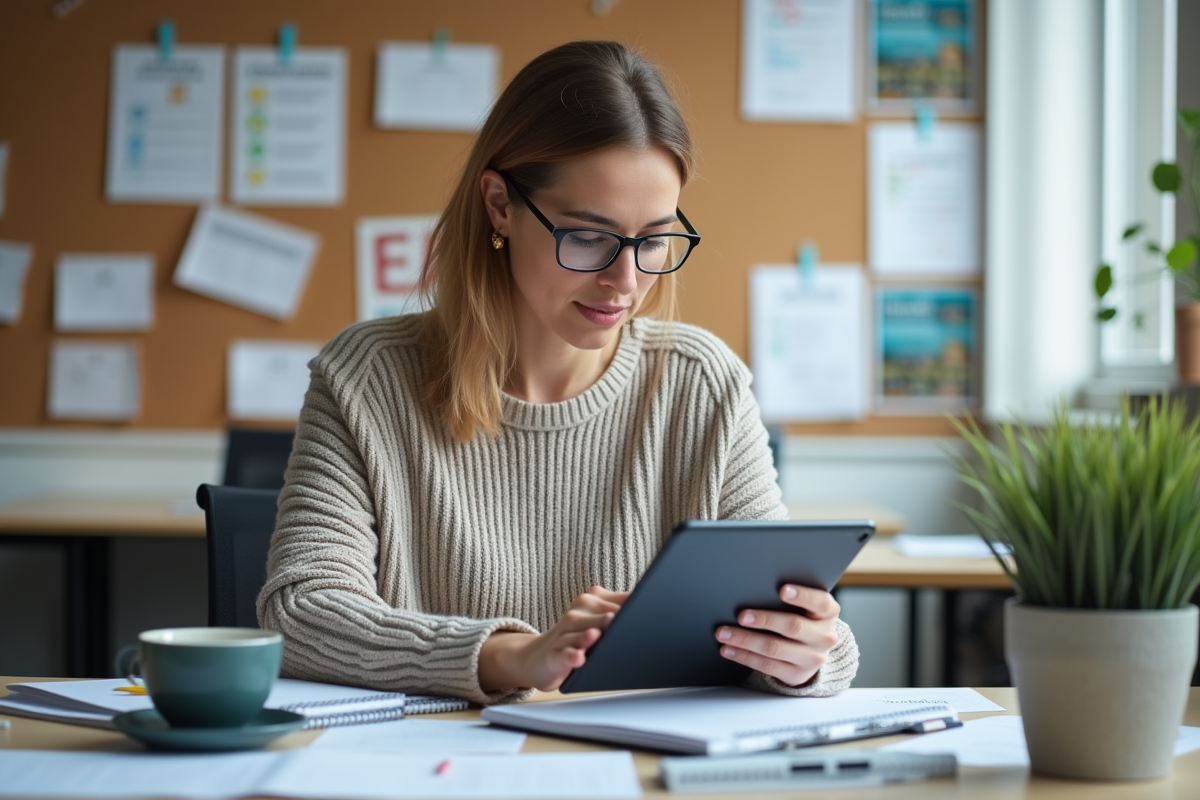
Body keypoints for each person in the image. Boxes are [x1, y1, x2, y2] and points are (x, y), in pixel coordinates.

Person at [257, 40, 858, 705]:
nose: (625, 281)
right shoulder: (367, 378)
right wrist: (518, 656)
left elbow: (809, 627)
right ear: (500, 206)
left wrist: (803, 654)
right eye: (590, 236)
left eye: (653, 239)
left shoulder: (703, 383)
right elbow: (302, 613)